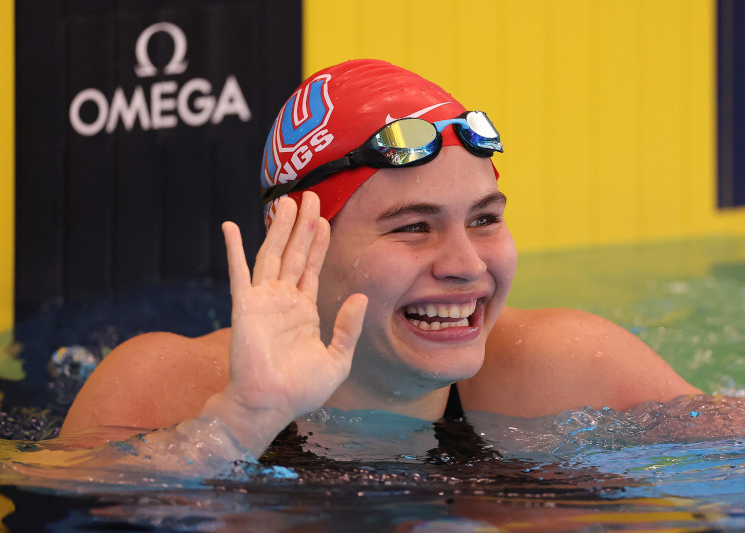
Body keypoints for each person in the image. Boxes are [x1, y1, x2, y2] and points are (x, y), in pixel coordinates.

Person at [60, 59, 701, 458]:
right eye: (414, 227)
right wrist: (241, 423)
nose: (465, 264)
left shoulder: (564, 371)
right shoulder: (163, 386)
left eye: (485, 219)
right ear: (297, 236)